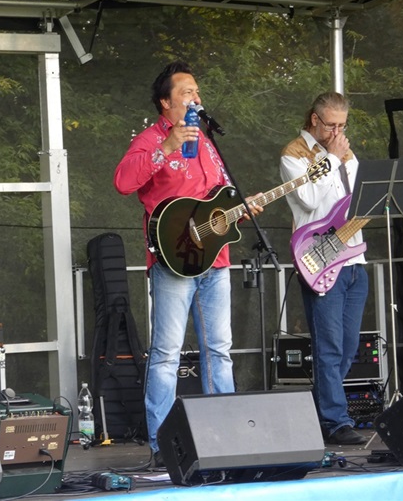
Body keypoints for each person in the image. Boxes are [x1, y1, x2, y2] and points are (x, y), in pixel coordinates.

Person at [114, 61, 262, 466]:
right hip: (174, 261)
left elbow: (219, 199)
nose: (196, 97)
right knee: (167, 354)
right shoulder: (150, 139)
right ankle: (163, 444)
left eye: (197, 91)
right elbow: (123, 182)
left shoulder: (208, 142)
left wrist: (240, 209)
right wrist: (166, 147)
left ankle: (226, 440)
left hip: (216, 259)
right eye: (186, 92)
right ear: (166, 102)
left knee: (220, 350)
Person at [279, 92, 368, 445]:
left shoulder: (347, 153)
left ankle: (318, 413)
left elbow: (358, 198)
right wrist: (331, 157)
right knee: (328, 347)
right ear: (314, 120)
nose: (337, 132)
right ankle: (334, 420)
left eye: (342, 125)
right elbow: (310, 200)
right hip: (319, 259)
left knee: (347, 346)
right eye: (331, 125)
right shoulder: (293, 154)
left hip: (353, 257)